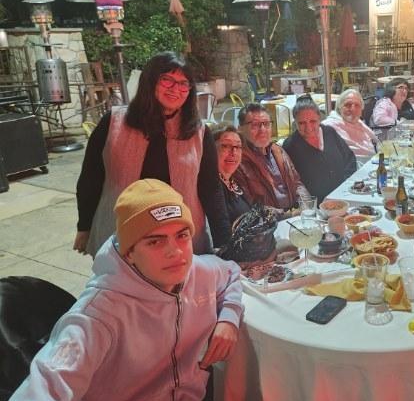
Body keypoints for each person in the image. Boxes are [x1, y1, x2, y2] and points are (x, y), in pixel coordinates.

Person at [0, 179, 252, 401]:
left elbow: (230, 272)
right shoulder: (96, 318)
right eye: (155, 241)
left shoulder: (196, 270)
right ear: (129, 252)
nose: (175, 252)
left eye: (181, 235)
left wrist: (228, 318)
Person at [74, 51, 230, 257]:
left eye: (183, 83)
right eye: (167, 80)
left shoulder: (198, 133)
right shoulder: (113, 123)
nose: (176, 89)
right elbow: (90, 178)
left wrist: (224, 241)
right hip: (120, 233)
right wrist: (84, 226)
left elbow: (210, 189)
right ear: (150, 81)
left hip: (181, 239)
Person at [234, 103, 309, 219]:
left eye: (266, 124)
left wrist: (306, 206)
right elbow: (250, 206)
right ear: (240, 129)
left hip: (296, 216)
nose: (263, 130)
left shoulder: (278, 150)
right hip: (270, 224)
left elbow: (297, 183)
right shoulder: (237, 161)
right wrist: (288, 215)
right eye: (255, 125)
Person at [283, 97, 357, 202]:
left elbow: (349, 158)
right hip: (317, 205)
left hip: (347, 195)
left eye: (313, 121)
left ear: (319, 118)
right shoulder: (290, 146)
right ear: (295, 122)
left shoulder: (329, 132)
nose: (308, 128)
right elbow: (292, 183)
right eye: (302, 123)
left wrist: (346, 186)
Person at [322, 88, 378, 162]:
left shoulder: (359, 123)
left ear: (361, 109)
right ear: (339, 107)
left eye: (357, 105)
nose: (353, 109)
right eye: (348, 105)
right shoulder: (328, 127)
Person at [214, 127, 251, 225]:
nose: (234, 152)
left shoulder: (234, 181)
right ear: (211, 149)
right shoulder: (211, 187)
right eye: (225, 146)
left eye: (238, 147)